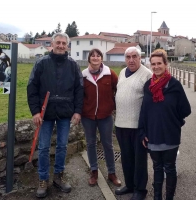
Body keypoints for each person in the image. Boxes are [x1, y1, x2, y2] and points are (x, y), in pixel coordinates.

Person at [27, 32, 84, 198]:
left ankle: (58, 177)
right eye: (57, 43)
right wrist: (35, 111)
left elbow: (79, 89)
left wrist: (78, 111)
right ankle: (43, 179)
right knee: (44, 147)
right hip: (45, 113)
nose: (60, 46)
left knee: (62, 146)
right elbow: (32, 87)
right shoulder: (41, 63)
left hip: (65, 112)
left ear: (67, 46)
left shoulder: (73, 65)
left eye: (63, 43)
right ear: (52, 44)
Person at [138, 49, 191, 200]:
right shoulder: (148, 86)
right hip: (153, 135)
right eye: (153, 64)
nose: (156, 66)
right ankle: (157, 197)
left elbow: (185, 110)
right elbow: (144, 111)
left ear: (165, 64)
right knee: (157, 168)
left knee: (170, 168)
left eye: (159, 63)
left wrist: (175, 122)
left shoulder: (175, 86)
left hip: (170, 135)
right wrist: (142, 132)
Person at [115, 46, 152, 200]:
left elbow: (150, 104)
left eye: (134, 56)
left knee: (139, 160)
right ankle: (130, 185)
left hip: (137, 126)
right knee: (126, 157)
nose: (131, 60)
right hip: (120, 124)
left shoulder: (147, 75)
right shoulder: (122, 72)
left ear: (140, 57)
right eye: (128, 57)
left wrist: (147, 129)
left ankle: (140, 190)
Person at [81, 48, 121, 187]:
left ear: (101, 59)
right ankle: (94, 172)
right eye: (93, 56)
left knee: (108, 144)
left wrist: (113, 105)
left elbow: (120, 88)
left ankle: (112, 173)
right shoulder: (84, 75)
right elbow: (79, 94)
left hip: (105, 116)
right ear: (89, 59)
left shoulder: (110, 73)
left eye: (98, 56)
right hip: (88, 116)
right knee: (91, 144)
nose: (95, 58)